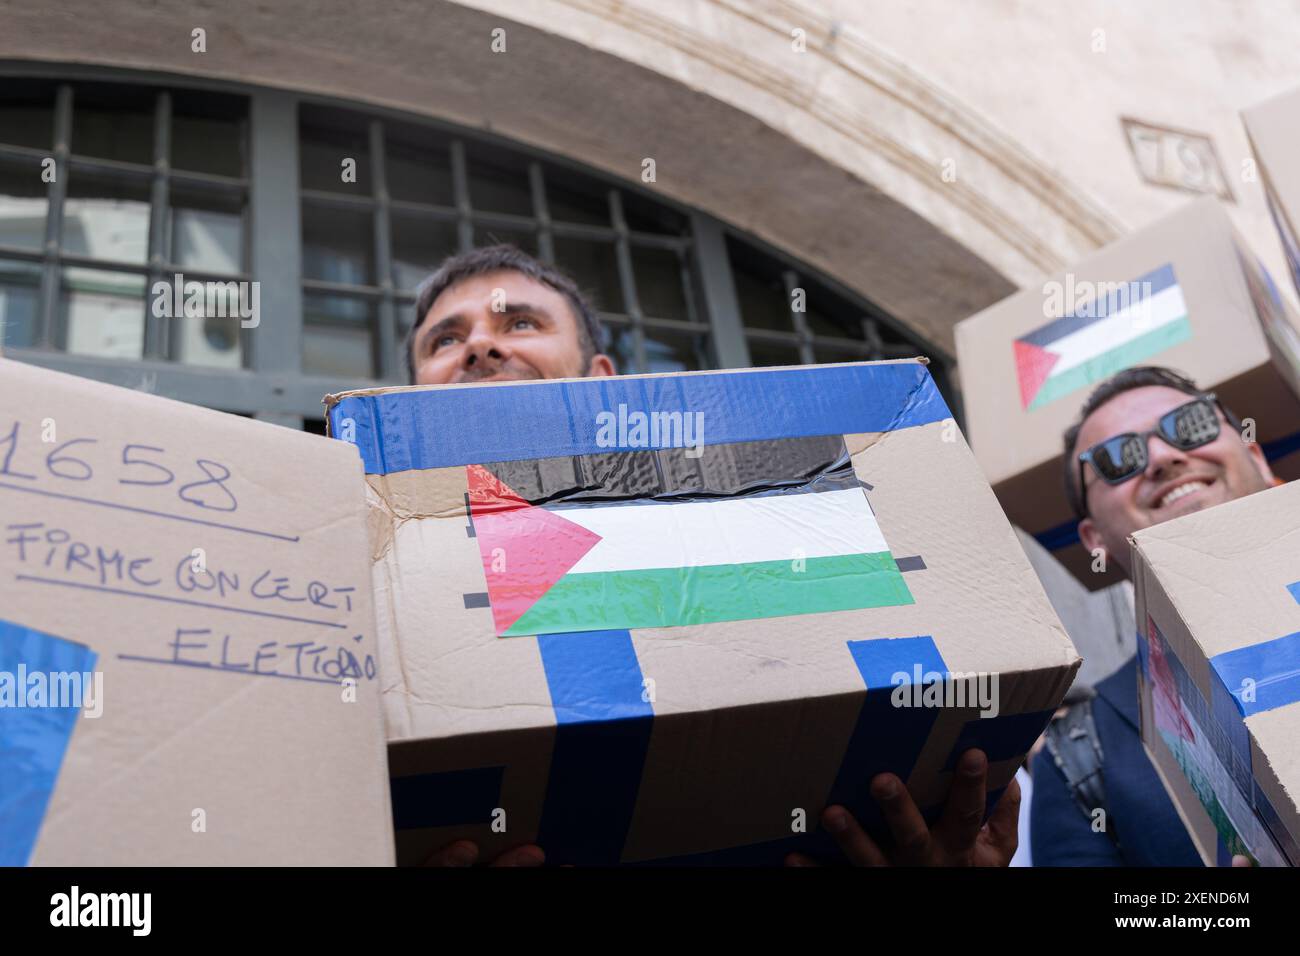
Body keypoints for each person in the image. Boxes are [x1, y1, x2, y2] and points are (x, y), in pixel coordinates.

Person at [411, 245, 1017, 867]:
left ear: (600, 377)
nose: (479, 348)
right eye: (445, 340)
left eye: (520, 323)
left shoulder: (737, 531)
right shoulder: (380, 590)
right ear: (401, 395)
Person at [1030, 366, 1277, 866]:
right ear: (1093, 538)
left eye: (1191, 424)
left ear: (1256, 456)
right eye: (1117, 459)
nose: (1164, 457)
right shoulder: (1079, 755)